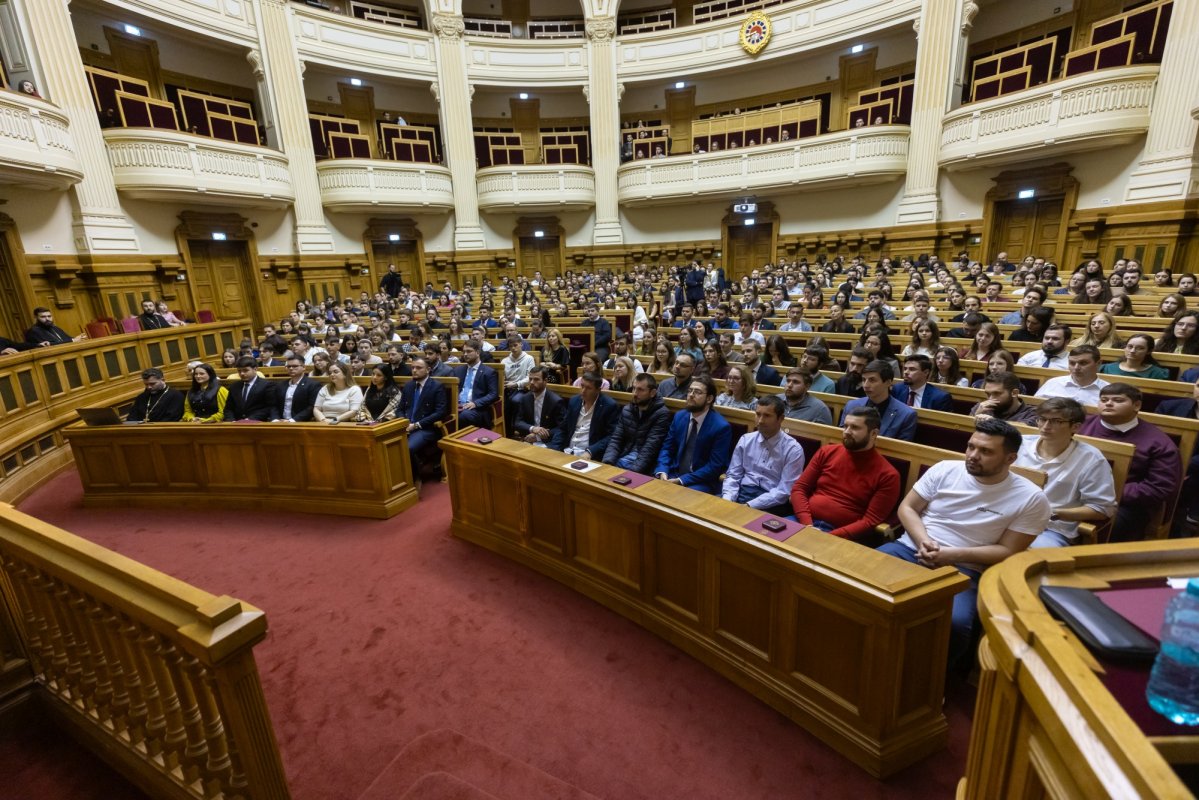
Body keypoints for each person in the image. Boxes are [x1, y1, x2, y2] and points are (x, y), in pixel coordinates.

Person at [878, 418, 1051, 667]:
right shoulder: (945, 469)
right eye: (971, 446)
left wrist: (950, 555)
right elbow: (908, 508)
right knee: (856, 579)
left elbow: (1008, 550)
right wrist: (924, 541)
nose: (972, 455)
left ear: (1010, 458)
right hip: (909, 548)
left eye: (986, 451)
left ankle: (930, 679)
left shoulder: (1032, 498)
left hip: (965, 568)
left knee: (954, 624)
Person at [1079, 383, 1182, 541]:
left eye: (1118, 400)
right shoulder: (1078, 425)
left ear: (1137, 405)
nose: (1108, 403)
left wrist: (1109, 492)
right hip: (1070, 489)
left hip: (1124, 503)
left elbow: (1158, 488)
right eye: (1104, 400)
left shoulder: (1159, 443)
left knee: (1105, 527)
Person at [1014, 397, 1117, 548]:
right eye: (1042, 419)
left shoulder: (1091, 459)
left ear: (1075, 427)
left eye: (1056, 421)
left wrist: (1055, 513)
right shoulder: (1019, 443)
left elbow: (1102, 508)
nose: (1046, 426)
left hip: (1050, 528)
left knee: (1032, 554)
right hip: (1006, 516)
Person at [790, 405, 901, 540]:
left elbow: (870, 521)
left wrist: (828, 537)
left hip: (840, 534)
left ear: (873, 434)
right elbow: (799, 489)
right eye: (845, 426)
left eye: (855, 427)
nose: (847, 432)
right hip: (804, 521)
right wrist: (807, 524)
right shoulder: (827, 452)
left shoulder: (888, 475)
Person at [721, 396, 806, 517]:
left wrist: (749, 506)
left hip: (771, 502)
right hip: (742, 492)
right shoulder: (746, 440)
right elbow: (733, 475)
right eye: (758, 414)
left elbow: (784, 491)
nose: (760, 421)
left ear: (780, 419)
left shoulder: (793, 450)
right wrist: (728, 500)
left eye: (767, 416)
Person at [655, 375, 732, 494]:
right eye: (690, 391)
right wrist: (662, 470)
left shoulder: (721, 427)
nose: (691, 395)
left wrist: (681, 480)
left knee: (678, 497)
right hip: (673, 473)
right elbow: (667, 448)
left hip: (700, 480)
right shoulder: (679, 416)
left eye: (697, 392)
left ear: (709, 398)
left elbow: (715, 466)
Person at [603, 372, 672, 474]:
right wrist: (608, 463)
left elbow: (650, 448)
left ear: (652, 393)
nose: (635, 393)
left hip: (642, 467)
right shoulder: (627, 409)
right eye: (634, 388)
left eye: (640, 390)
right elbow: (616, 439)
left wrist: (630, 474)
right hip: (622, 459)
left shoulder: (662, 414)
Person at [397, 357, 450, 481]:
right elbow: (399, 409)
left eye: (418, 368)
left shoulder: (436, 386)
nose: (414, 370)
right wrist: (403, 422)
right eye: (412, 368)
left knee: (407, 447)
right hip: (406, 426)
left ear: (428, 369)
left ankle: (415, 479)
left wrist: (416, 425)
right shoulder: (409, 386)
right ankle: (399, 477)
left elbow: (440, 412)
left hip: (427, 428)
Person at [839, 360, 917, 441]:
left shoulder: (906, 415)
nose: (866, 385)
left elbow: (901, 447)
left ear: (888, 382)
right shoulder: (851, 405)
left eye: (872, 380)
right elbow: (841, 437)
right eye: (864, 380)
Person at [549, 372, 619, 459]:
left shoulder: (609, 406)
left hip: (589, 454)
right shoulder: (574, 401)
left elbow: (611, 436)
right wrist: (554, 449)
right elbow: (563, 428)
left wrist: (591, 451)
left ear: (598, 390)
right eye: (582, 386)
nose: (583, 391)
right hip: (567, 450)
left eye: (588, 388)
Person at [1034, 345, 1109, 405]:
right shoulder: (1053, 383)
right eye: (1072, 363)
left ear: (1098, 364)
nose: (1076, 368)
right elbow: (1033, 407)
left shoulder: (1107, 390)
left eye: (1083, 363)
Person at [513, 366, 565, 445]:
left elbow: (562, 428)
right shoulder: (525, 398)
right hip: (528, 439)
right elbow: (518, 422)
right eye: (530, 379)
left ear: (545, 381)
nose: (532, 382)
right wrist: (533, 428)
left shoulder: (555, 401)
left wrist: (538, 436)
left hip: (548, 442)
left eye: (536, 379)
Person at [454, 340, 499, 430]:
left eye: (469, 351)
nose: (465, 354)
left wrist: (476, 403)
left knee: (464, 416)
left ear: (478, 352)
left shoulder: (489, 372)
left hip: (477, 408)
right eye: (464, 352)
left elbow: (493, 394)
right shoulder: (458, 370)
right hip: (457, 406)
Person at [970, 370, 1039, 424]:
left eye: (997, 393)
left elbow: (1021, 429)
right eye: (988, 394)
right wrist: (974, 417)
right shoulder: (981, 407)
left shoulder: (1032, 414)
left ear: (1014, 393)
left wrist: (992, 422)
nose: (990, 399)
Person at [224, 356, 280, 421]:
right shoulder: (234, 386)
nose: (242, 373)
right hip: (236, 423)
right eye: (239, 371)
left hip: (258, 422)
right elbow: (228, 408)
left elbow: (270, 407)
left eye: (245, 370)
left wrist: (250, 419)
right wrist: (231, 420)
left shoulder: (267, 385)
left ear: (255, 369)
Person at [1100, 333, 1169, 380]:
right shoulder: (1106, 368)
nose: (1132, 351)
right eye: (1130, 347)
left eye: (1140, 348)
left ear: (1149, 351)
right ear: (1125, 348)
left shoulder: (1157, 373)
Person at [274, 355, 321, 422]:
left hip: (301, 422)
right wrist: (275, 419)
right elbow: (274, 405)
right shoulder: (281, 385)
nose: (291, 368)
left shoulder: (313, 385)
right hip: (280, 422)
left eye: (295, 366)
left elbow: (311, 407)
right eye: (288, 366)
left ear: (304, 367)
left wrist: (292, 420)